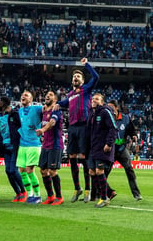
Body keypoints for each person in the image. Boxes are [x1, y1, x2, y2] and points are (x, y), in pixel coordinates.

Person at [57, 57, 99, 203]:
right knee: (72, 158)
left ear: (82, 80)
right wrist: (55, 104)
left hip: (83, 126)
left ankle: (88, 189)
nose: (75, 78)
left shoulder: (86, 89)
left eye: (78, 76)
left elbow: (96, 77)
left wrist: (86, 64)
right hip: (72, 128)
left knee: (83, 158)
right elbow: (62, 103)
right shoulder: (69, 95)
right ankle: (77, 188)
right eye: (74, 76)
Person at [105, 100, 142, 201]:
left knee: (129, 170)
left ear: (117, 108)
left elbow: (131, 129)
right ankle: (102, 193)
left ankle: (136, 194)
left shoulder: (125, 118)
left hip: (121, 149)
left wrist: (133, 135)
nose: (109, 109)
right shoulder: (106, 117)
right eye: (108, 107)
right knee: (103, 173)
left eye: (111, 107)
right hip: (110, 150)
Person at [0, 96, 27, 203]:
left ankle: (23, 191)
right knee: (8, 171)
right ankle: (18, 193)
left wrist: (19, 139)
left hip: (14, 146)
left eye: (0, 102)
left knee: (13, 170)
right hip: (5, 146)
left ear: (4, 103)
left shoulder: (15, 114)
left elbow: (22, 126)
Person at [86, 93, 117, 208]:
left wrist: (109, 144)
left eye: (97, 99)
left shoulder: (105, 112)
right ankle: (106, 194)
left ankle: (104, 198)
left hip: (102, 147)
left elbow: (113, 128)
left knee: (99, 171)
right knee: (92, 172)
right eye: (93, 98)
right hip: (93, 148)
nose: (94, 100)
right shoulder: (91, 114)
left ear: (102, 102)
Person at [36, 91, 64, 205]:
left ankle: (59, 197)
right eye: (47, 94)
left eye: (51, 95)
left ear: (55, 100)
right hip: (46, 145)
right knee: (43, 170)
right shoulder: (44, 111)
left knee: (52, 171)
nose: (48, 96)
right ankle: (50, 196)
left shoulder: (56, 110)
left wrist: (42, 130)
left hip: (55, 145)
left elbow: (52, 122)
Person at [17, 91, 43, 204]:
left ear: (31, 100)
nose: (23, 96)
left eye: (26, 95)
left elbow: (48, 109)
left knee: (29, 170)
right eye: (22, 95)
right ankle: (30, 193)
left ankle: (38, 195)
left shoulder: (37, 109)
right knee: (21, 170)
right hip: (22, 144)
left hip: (33, 144)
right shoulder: (20, 111)